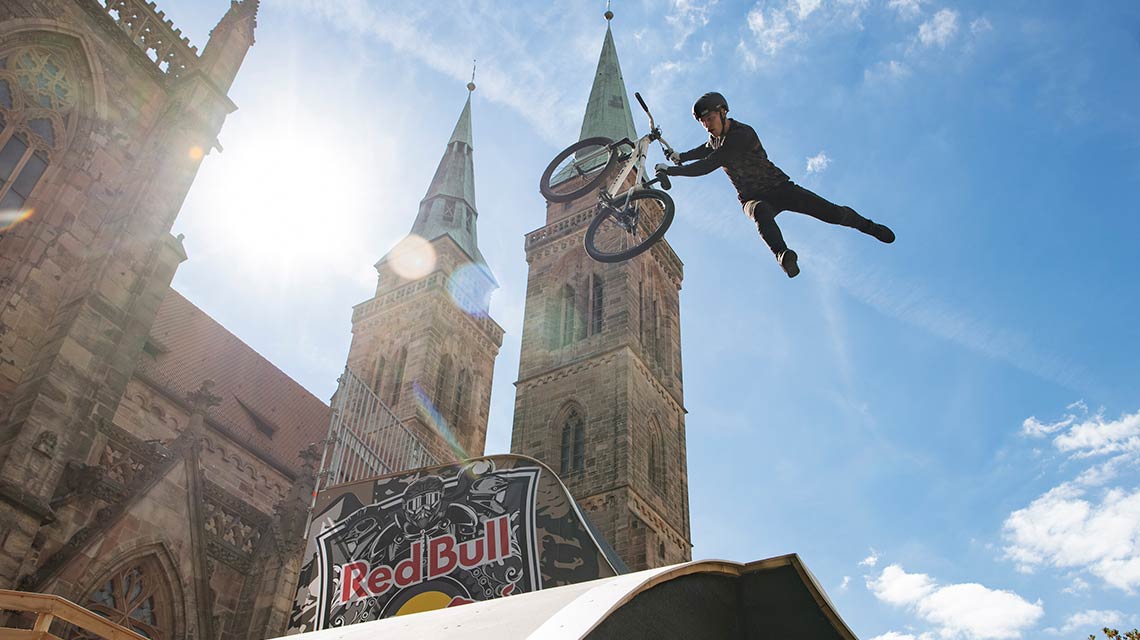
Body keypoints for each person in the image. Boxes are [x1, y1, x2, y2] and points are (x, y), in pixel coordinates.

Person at [656, 92, 894, 278]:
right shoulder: (714, 138)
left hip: (780, 188)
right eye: (703, 122)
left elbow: (709, 163)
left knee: (830, 213)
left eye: (710, 119)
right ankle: (784, 255)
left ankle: (868, 226)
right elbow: (706, 149)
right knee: (760, 212)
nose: (707, 125)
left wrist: (674, 171)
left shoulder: (742, 135)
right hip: (751, 198)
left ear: (723, 112)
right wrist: (681, 156)